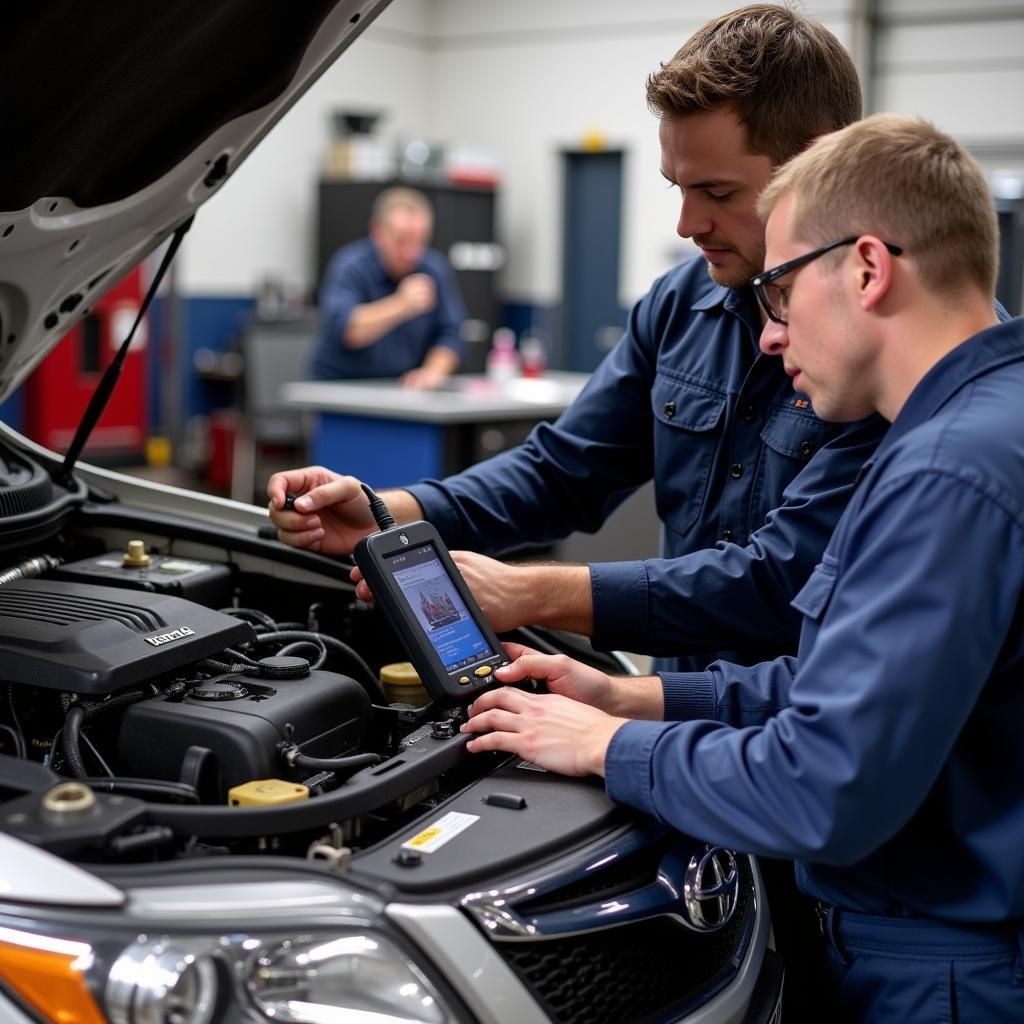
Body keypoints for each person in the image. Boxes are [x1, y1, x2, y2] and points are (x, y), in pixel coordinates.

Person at [463, 114, 1024, 1021]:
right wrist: (634, 698)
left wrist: (609, 748)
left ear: (868, 269)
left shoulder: (944, 474)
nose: (767, 335)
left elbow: (823, 786)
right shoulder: (985, 425)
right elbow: (849, 692)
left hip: (948, 971)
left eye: (779, 293)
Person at [269, 4, 885, 677]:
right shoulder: (680, 306)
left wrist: (536, 592)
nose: (686, 224)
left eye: (715, 190)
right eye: (677, 188)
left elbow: (780, 578)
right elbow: (561, 471)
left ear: (818, 161)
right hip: (675, 711)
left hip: (798, 732)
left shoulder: (887, 348)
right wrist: (387, 511)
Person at [310, 186, 467, 389]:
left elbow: (452, 334)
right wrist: (401, 304)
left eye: (420, 241)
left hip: (401, 390)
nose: (411, 252)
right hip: (341, 390)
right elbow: (347, 330)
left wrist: (432, 373)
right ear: (377, 231)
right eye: (401, 241)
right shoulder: (350, 266)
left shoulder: (434, 269)